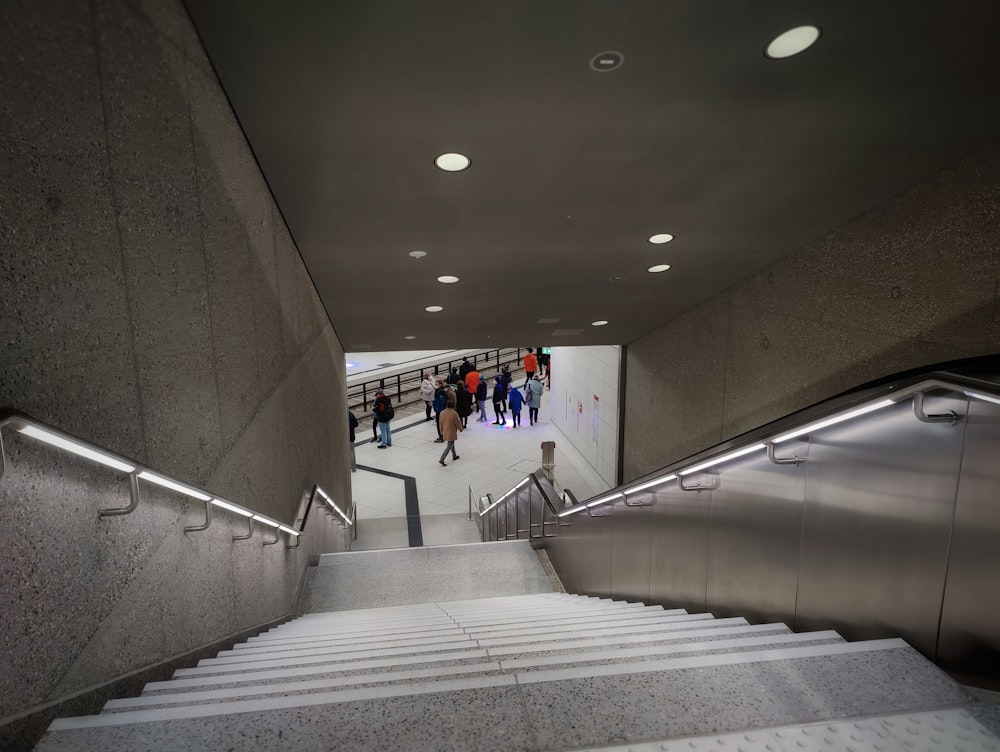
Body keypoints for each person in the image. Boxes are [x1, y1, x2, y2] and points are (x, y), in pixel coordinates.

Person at [437, 401, 463, 466]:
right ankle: (442, 459)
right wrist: (460, 428)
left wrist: (441, 431)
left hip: (445, 431)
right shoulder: (453, 413)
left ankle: (454, 455)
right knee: (449, 445)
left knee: (451, 443)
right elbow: (457, 422)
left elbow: (440, 423)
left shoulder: (442, 412)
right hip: (451, 431)